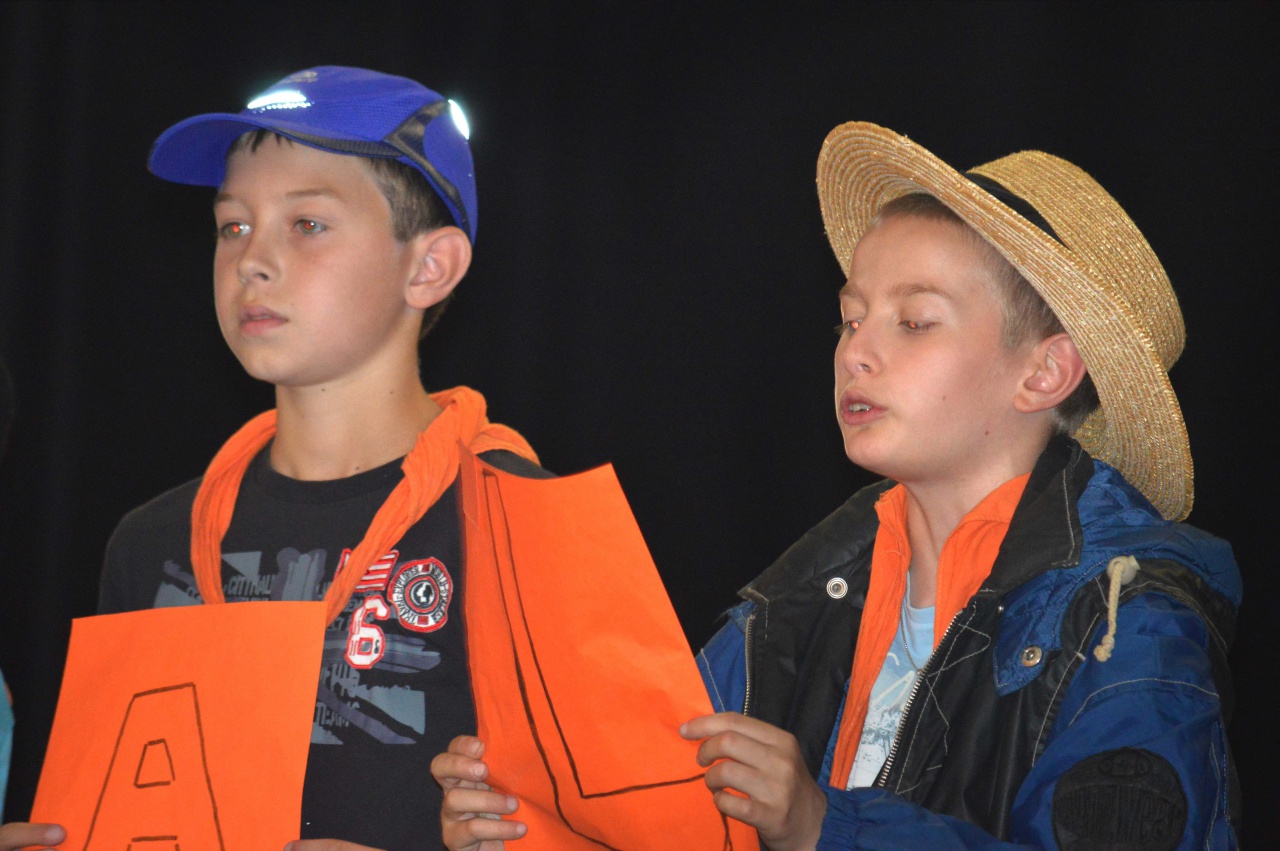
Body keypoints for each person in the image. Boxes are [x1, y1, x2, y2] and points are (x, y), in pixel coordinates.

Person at [433, 122, 1240, 850]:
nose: (855, 351)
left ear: (1045, 372)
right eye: (851, 318)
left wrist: (826, 827)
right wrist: (528, 826)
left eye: (913, 320)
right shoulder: (787, 612)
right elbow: (665, 823)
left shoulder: (1126, 623)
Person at [86, 66, 549, 851]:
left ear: (429, 267)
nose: (251, 260)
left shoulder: (524, 523)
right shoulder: (151, 542)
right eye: (232, 226)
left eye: (306, 223)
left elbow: (634, 819)